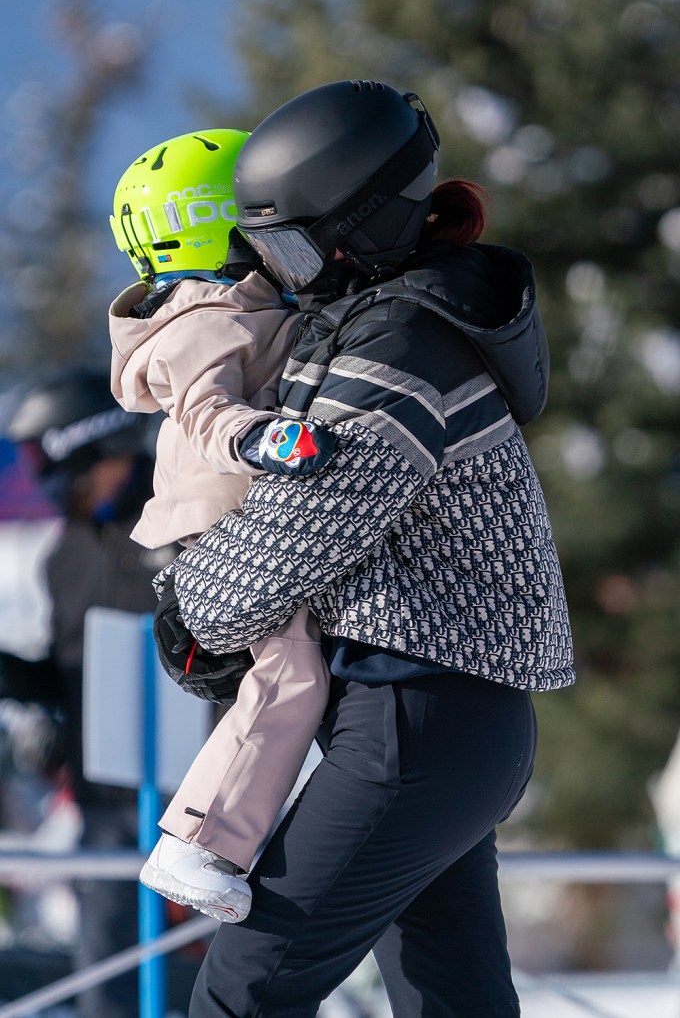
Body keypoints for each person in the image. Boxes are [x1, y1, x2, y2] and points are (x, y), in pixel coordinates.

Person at [161, 80, 576, 1018]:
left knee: (245, 988)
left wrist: (188, 605)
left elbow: (301, 524)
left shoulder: (402, 344)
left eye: (295, 245)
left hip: (412, 719)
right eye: (263, 249)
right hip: (445, 718)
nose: (286, 271)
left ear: (368, 224)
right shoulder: (388, 320)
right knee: (450, 994)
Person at [108, 128, 336, 925]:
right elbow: (206, 411)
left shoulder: (238, 304)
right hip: (226, 517)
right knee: (292, 675)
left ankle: (239, 820)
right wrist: (260, 435)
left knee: (289, 681)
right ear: (219, 221)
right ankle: (199, 838)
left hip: (245, 514)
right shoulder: (202, 316)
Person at [4, 366, 176, 1018]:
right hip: (107, 793)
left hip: (205, 791)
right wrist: (21, 679)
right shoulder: (66, 553)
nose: (52, 491)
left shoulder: (179, 518)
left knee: (237, 953)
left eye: (56, 469)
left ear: (100, 445)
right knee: (108, 961)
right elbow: (67, 666)